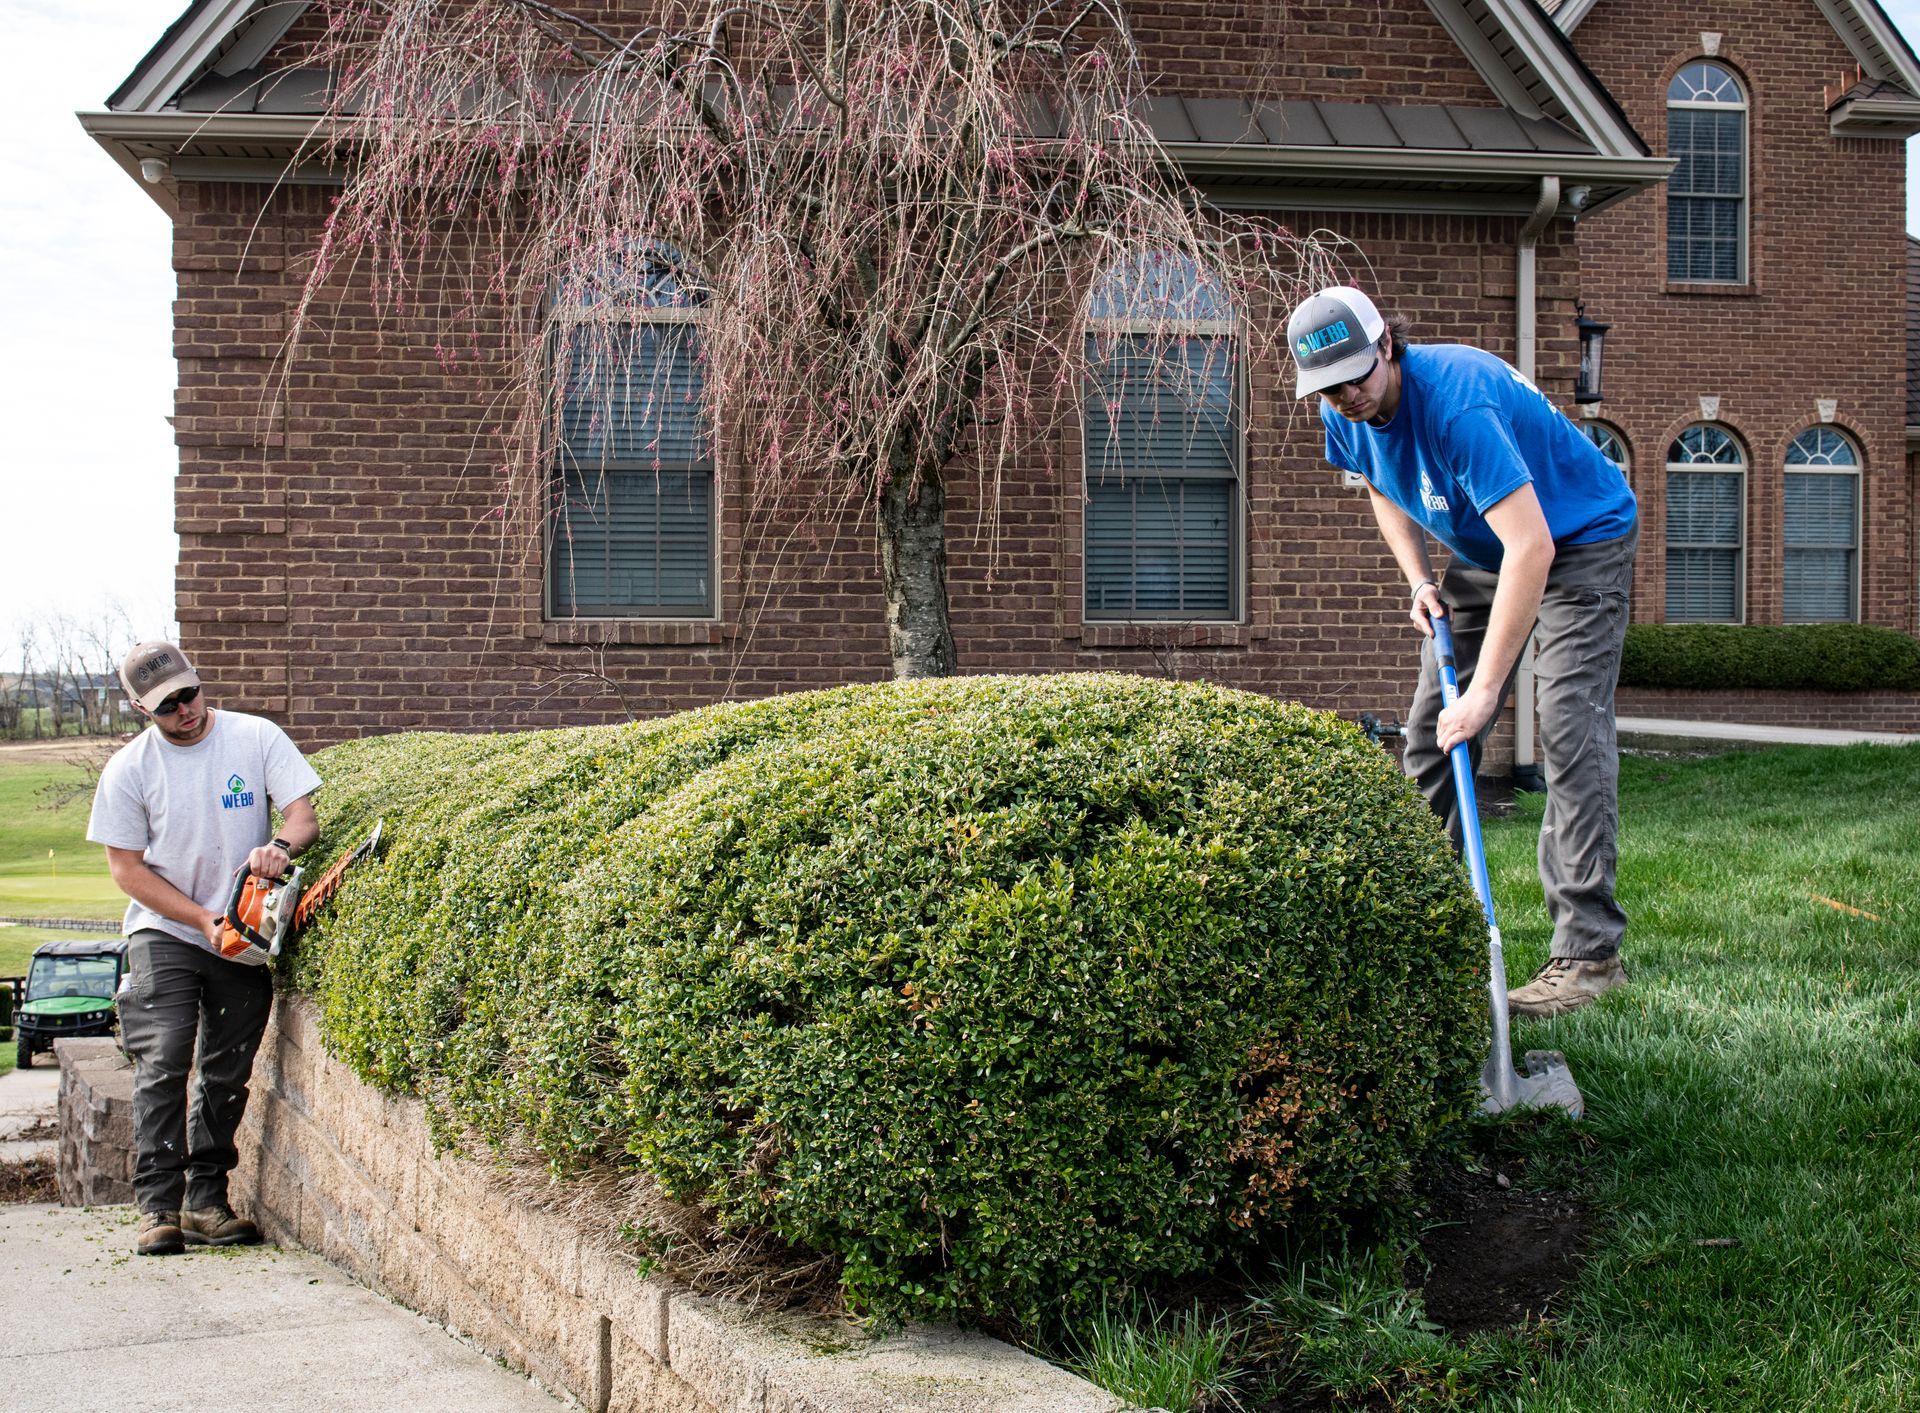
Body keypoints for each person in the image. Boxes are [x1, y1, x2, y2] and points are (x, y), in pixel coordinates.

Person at [1288, 285, 1638, 1018]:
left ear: (1388, 346)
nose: (1346, 394)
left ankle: (1588, 956)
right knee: (1426, 737)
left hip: (1578, 537)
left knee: (1568, 728)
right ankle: (1434, 929)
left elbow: (1533, 546)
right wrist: (1419, 578)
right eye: (1328, 385)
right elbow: (1382, 485)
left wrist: (1486, 695)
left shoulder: (1458, 403)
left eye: (1356, 373)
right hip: (1488, 547)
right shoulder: (1340, 409)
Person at [86, 641, 322, 1256]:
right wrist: (199, 917)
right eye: (167, 706)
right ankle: (156, 1208)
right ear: (140, 707)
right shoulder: (129, 771)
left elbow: (302, 817)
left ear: (197, 682)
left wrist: (280, 847)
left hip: (241, 935)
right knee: (164, 1060)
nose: (185, 711)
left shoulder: (256, 738)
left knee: (226, 1068)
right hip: (164, 930)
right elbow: (127, 871)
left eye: (189, 695)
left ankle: (206, 1202)